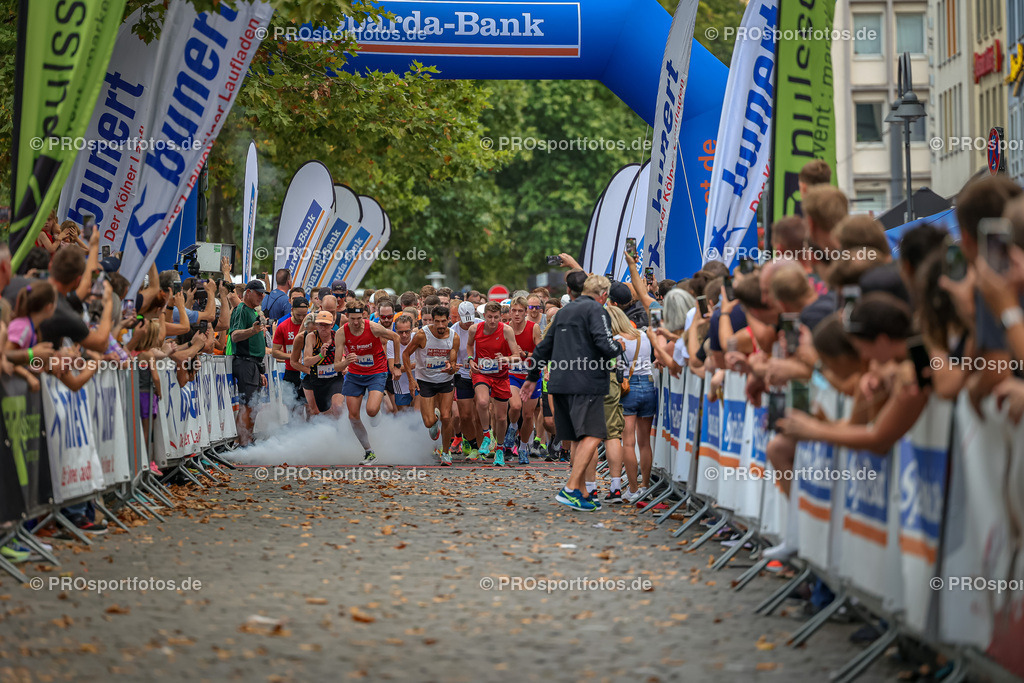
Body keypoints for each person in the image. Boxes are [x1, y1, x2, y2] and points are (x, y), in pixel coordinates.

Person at [522, 275, 622, 511]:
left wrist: (531, 377)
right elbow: (604, 343)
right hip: (585, 383)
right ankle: (570, 488)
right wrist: (619, 348)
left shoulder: (564, 312)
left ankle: (583, 493)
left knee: (577, 438)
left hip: (560, 384)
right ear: (604, 295)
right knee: (595, 434)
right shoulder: (597, 311)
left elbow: (544, 347)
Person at [336, 300, 400, 465]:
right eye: (352, 319)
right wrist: (346, 362)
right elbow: (337, 366)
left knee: (371, 410)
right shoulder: (341, 333)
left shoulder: (373, 327)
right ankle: (369, 452)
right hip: (355, 374)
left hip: (376, 372)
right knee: (353, 415)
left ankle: (376, 409)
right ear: (346, 316)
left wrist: (397, 365)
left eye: (359, 318)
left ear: (364, 315)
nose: (356, 322)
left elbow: (396, 337)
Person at [467, 301, 521, 467]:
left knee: (501, 417)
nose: (492, 320)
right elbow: (469, 346)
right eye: (489, 317)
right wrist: (470, 360)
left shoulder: (506, 330)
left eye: (496, 317)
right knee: (482, 401)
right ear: (484, 316)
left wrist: (505, 359)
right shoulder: (475, 329)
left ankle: (499, 448)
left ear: (501, 317)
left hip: (501, 376)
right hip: (482, 373)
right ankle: (486, 435)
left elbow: (517, 356)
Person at [403, 305, 458, 464]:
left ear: (448, 320)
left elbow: (453, 362)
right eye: (437, 322)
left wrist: (451, 368)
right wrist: (411, 380)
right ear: (432, 321)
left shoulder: (453, 337)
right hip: (425, 381)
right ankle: (435, 418)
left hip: (445, 381)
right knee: (429, 422)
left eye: (443, 321)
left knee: (447, 417)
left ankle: (446, 453)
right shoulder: (422, 335)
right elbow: (406, 354)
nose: (441, 326)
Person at [609, 305, 651, 503]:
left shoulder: (617, 341)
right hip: (649, 386)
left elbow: (613, 366)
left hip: (628, 387)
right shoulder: (644, 336)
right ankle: (646, 487)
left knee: (628, 441)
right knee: (645, 442)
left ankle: (633, 489)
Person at [229, 279, 269, 446]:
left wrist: (260, 370)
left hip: (253, 363)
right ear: (248, 292)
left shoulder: (253, 311)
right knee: (247, 404)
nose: (261, 296)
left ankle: (248, 440)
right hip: (245, 362)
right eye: (258, 293)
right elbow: (235, 336)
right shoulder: (241, 310)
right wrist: (252, 330)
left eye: (263, 293)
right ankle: (244, 442)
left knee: (253, 404)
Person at [506, 296, 542, 464]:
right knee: (515, 405)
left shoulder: (533, 328)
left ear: (526, 312)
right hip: (512, 374)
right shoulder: (505, 329)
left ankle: (522, 448)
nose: (517, 314)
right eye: (514, 310)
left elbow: (542, 353)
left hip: (531, 376)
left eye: (521, 311)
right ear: (510, 312)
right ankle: (513, 427)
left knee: (528, 416)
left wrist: (525, 354)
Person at [451, 301, 483, 458]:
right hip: (463, 374)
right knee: (465, 416)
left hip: (482, 373)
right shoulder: (454, 331)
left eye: (471, 319)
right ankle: (472, 444)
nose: (469, 322)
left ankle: (482, 447)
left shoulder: (482, 325)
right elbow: (450, 355)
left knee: (480, 412)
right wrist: (453, 365)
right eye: (465, 319)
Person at [302, 310, 346, 417]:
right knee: (321, 412)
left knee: (337, 407)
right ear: (316, 325)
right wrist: (320, 355)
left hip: (335, 378)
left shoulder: (338, 336)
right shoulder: (311, 337)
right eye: (320, 325)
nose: (323, 328)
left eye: (326, 325)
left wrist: (345, 365)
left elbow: (343, 356)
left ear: (332, 325)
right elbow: (306, 362)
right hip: (318, 380)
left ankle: (340, 430)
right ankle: (326, 430)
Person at [271, 296, 309, 407]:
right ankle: (293, 424)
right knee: (291, 405)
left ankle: (309, 425)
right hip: (291, 371)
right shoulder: (283, 326)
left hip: (307, 371)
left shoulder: (311, 326)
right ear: (291, 310)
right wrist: (292, 356)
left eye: (304, 315)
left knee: (309, 406)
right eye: (298, 315)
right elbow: (275, 352)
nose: (302, 318)